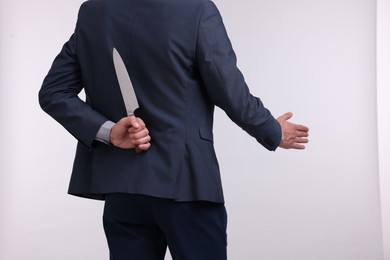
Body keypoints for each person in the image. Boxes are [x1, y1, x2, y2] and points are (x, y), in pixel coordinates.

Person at [39, 0, 309, 259]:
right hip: (185, 181)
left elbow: (54, 92)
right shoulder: (198, 11)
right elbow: (229, 90)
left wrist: (109, 132)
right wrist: (272, 129)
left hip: (122, 189)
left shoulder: (94, 12)